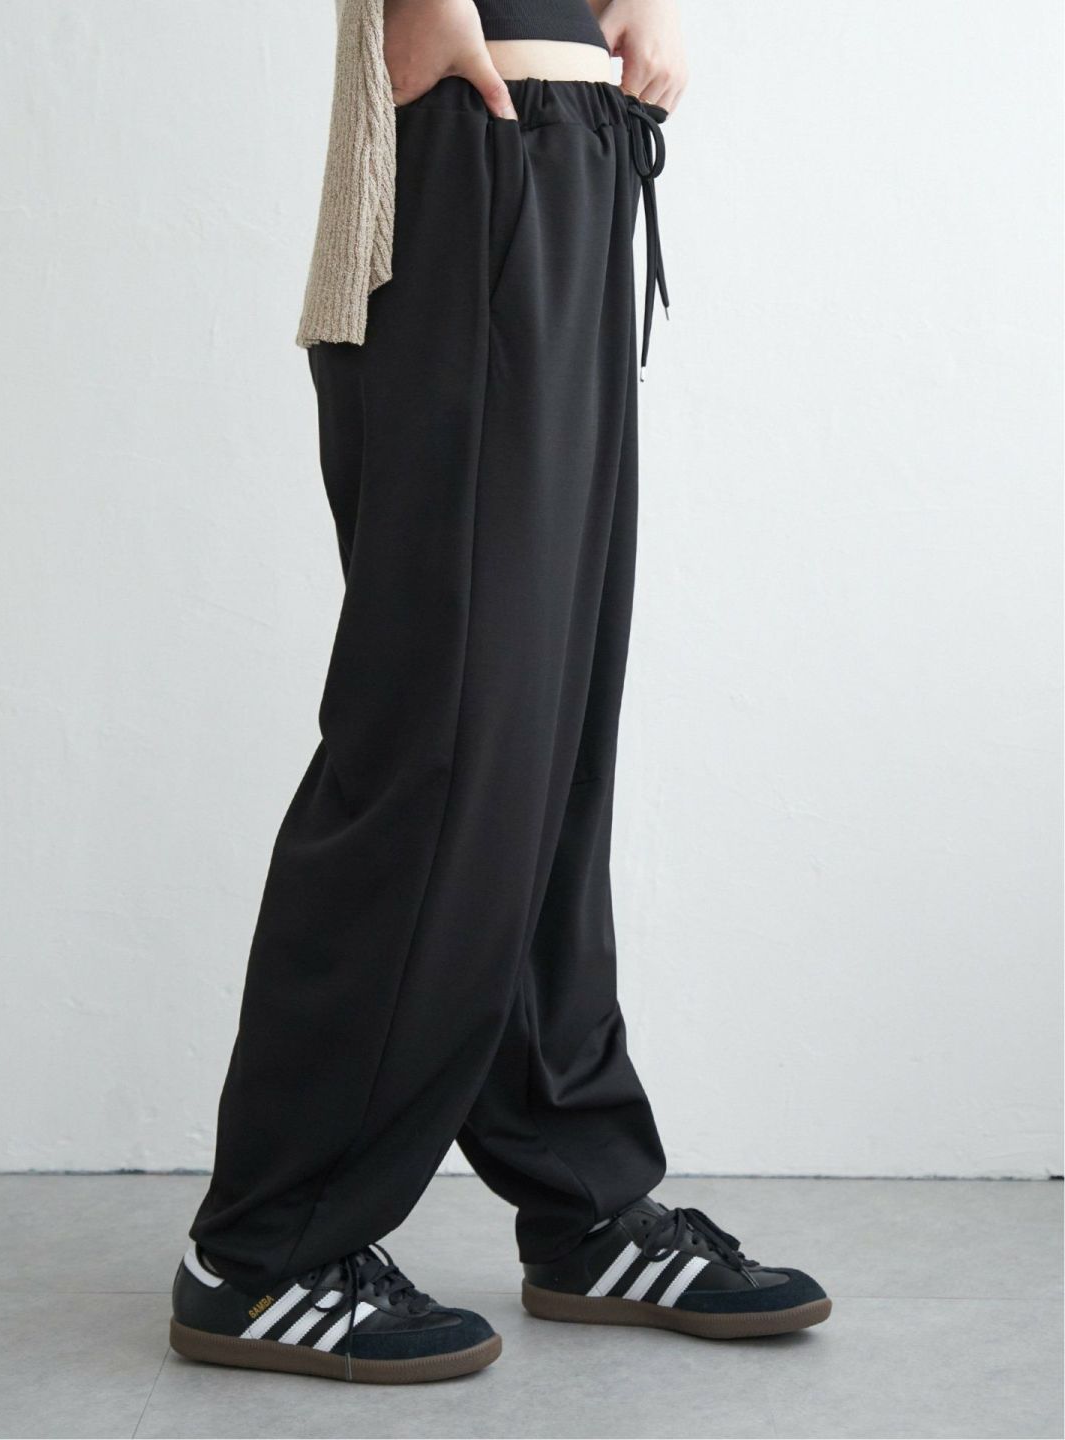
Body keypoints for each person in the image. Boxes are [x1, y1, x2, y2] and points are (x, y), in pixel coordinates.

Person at [169, 0, 830, 1384]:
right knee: (443, 737)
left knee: (550, 736)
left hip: (577, 141)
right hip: (475, 143)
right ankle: (263, 1248)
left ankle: (580, 1194)